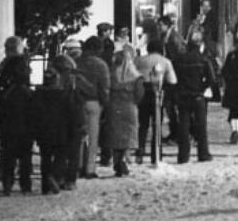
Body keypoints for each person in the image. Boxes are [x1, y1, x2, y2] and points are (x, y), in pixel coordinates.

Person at [32, 55, 82, 194]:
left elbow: (35, 111)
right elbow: (73, 112)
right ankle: (55, 176)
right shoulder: (67, 93)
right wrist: (78, 126)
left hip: (44, 130)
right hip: (62, 130)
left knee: (45, 157)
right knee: (62, 154)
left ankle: (45, 185)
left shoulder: (40, 92)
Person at [0, 54, 34, 195]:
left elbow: (0, 111)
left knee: (8, 158)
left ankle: (8, 184)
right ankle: (25, 185)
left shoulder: (7, 94)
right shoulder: (28, 94)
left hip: (9, 129)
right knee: (25, 159)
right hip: (25, 129)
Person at [70, 37, 111, 180]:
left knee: (80, 136)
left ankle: (78, 166)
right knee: (93, 138)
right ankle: (90, 168)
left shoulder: (76, 62)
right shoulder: (101, 65)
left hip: (77, 101)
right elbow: (105, 88)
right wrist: (105, 104)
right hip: (94, 102)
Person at [175, 31, 218, 164]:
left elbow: (175, 77)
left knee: (184, 125)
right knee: (201, 126)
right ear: (200, 44)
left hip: (183, 95)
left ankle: (183, 155)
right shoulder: (203, 59)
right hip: (198, 95)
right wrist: (203, 87)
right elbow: (212, 79)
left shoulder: (180, 59)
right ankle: (203, 153)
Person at [134, 40, 177, 163]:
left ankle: (140, 150)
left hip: (142, 93)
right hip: (157, 93)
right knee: (157, 124)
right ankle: (156, 154)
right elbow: (172, 81)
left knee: (142, 125)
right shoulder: (165, 61)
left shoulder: (139, 60)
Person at [104, 48, 144, 178]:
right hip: (129, 107)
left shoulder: (110, 75)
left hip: (113, 107)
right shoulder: (136, 77)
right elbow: (139, 95)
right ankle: (124, 160)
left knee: (115, 136)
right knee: (127, 136)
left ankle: (117, 162)